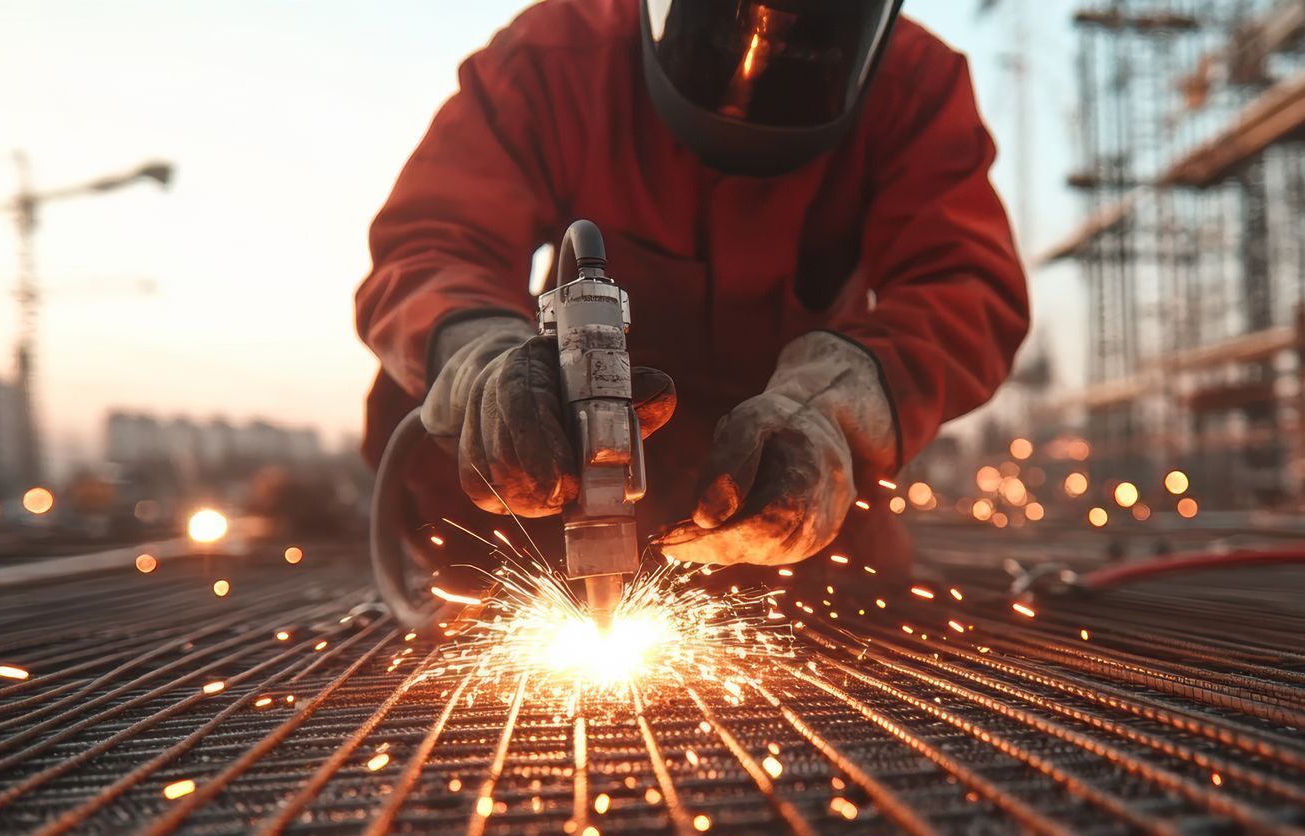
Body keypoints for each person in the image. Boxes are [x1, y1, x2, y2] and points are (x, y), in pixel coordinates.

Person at [356, 0, 1029, 574]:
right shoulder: (555, 58)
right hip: (576, 441)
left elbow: (964, 286)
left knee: (857, 587)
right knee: (435, 417)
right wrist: (480, 360)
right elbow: (435, 244)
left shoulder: (912, 84)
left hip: (777, 460)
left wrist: (834, 409)